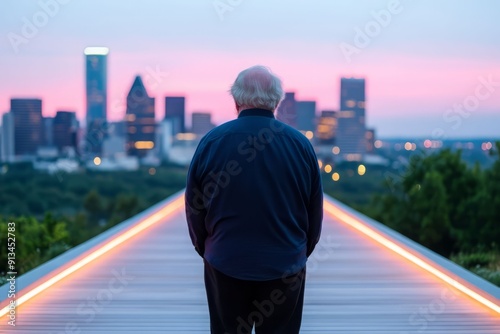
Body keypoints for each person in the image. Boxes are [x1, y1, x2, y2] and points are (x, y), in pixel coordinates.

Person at [185, 65, 323, 334]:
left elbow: (194, 209)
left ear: (236, 100)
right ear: (277, 101)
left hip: (225, 261)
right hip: (285, 265)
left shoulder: (211, 142)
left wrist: (209, 250)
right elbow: (313, 215)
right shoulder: (301, 146)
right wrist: (297, 253)